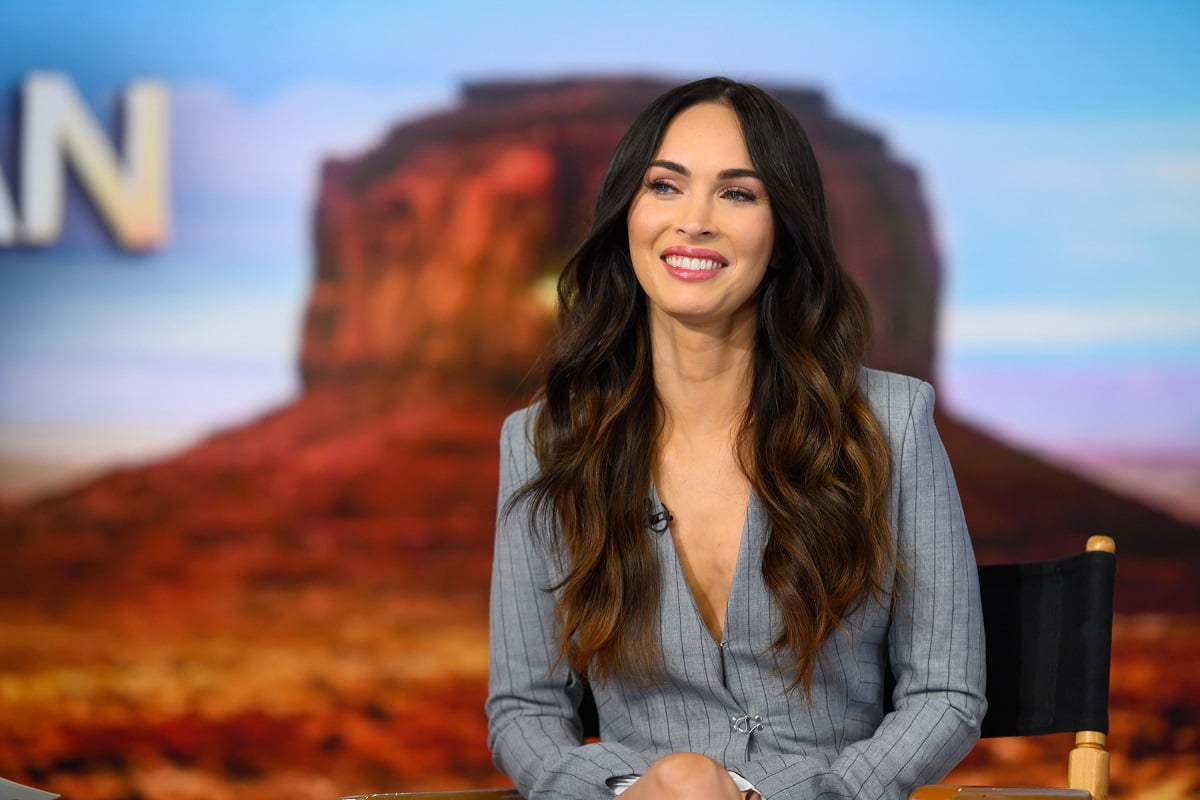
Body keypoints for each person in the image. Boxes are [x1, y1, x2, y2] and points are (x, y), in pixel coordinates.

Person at [486, 76, 985, 800]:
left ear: (783, 237)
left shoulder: (890, 424)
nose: (694, 221)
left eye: (738, 193)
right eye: (665, 186)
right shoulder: (542, 443)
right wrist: (632, 789)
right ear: (628, 214)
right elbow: (523, 712)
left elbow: (946, 694)